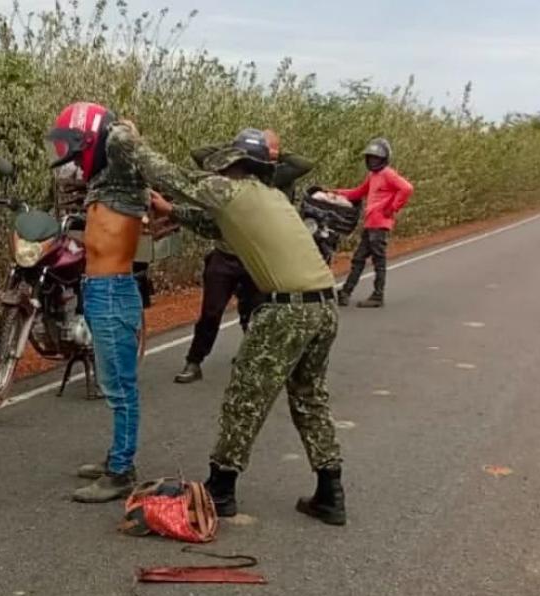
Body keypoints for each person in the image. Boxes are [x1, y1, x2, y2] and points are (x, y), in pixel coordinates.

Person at [113, 123, 348, 524]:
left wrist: (130, 143)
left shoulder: (230, 190)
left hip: (286, 310)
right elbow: (215, 225)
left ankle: (220, 489)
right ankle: (331, 491)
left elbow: (173, 177)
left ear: (233, 165)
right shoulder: (268, 196)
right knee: (309, 398)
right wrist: (172, 212)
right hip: (324, 305)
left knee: (244, 399)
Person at [46, 102, 149, 503]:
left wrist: (115, 127)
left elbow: (129, 137)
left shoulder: (123, 173)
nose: (67, 156)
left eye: (72, 145)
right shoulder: (106, 181)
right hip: (100, 288)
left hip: (113, 291)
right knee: (112, 384)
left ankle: (122, 471)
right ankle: (116, 460)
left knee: (121, 388)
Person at [174, 129, 315, 384]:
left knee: (255, 312)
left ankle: (251, 357)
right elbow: (198, 154)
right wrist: (237, 146)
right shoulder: (228, 175)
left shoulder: (275, 176)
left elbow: (304, 164)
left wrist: (272, 152)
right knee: (211, 312)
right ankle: (194, 361)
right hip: (224, 255)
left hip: (256, 257)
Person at [334, 137, 414, 308]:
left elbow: (407, 188)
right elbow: (358, 192)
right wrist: (336, 193)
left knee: (378, 260)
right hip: (371, 224)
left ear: (384, 159)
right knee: (358, 259)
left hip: (380, 225)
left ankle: (377, 295)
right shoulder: (373, 175)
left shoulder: (388, 174)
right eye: (370, 158)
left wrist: (392, 207)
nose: (372, 160)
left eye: (376, 158)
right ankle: (346, 292)